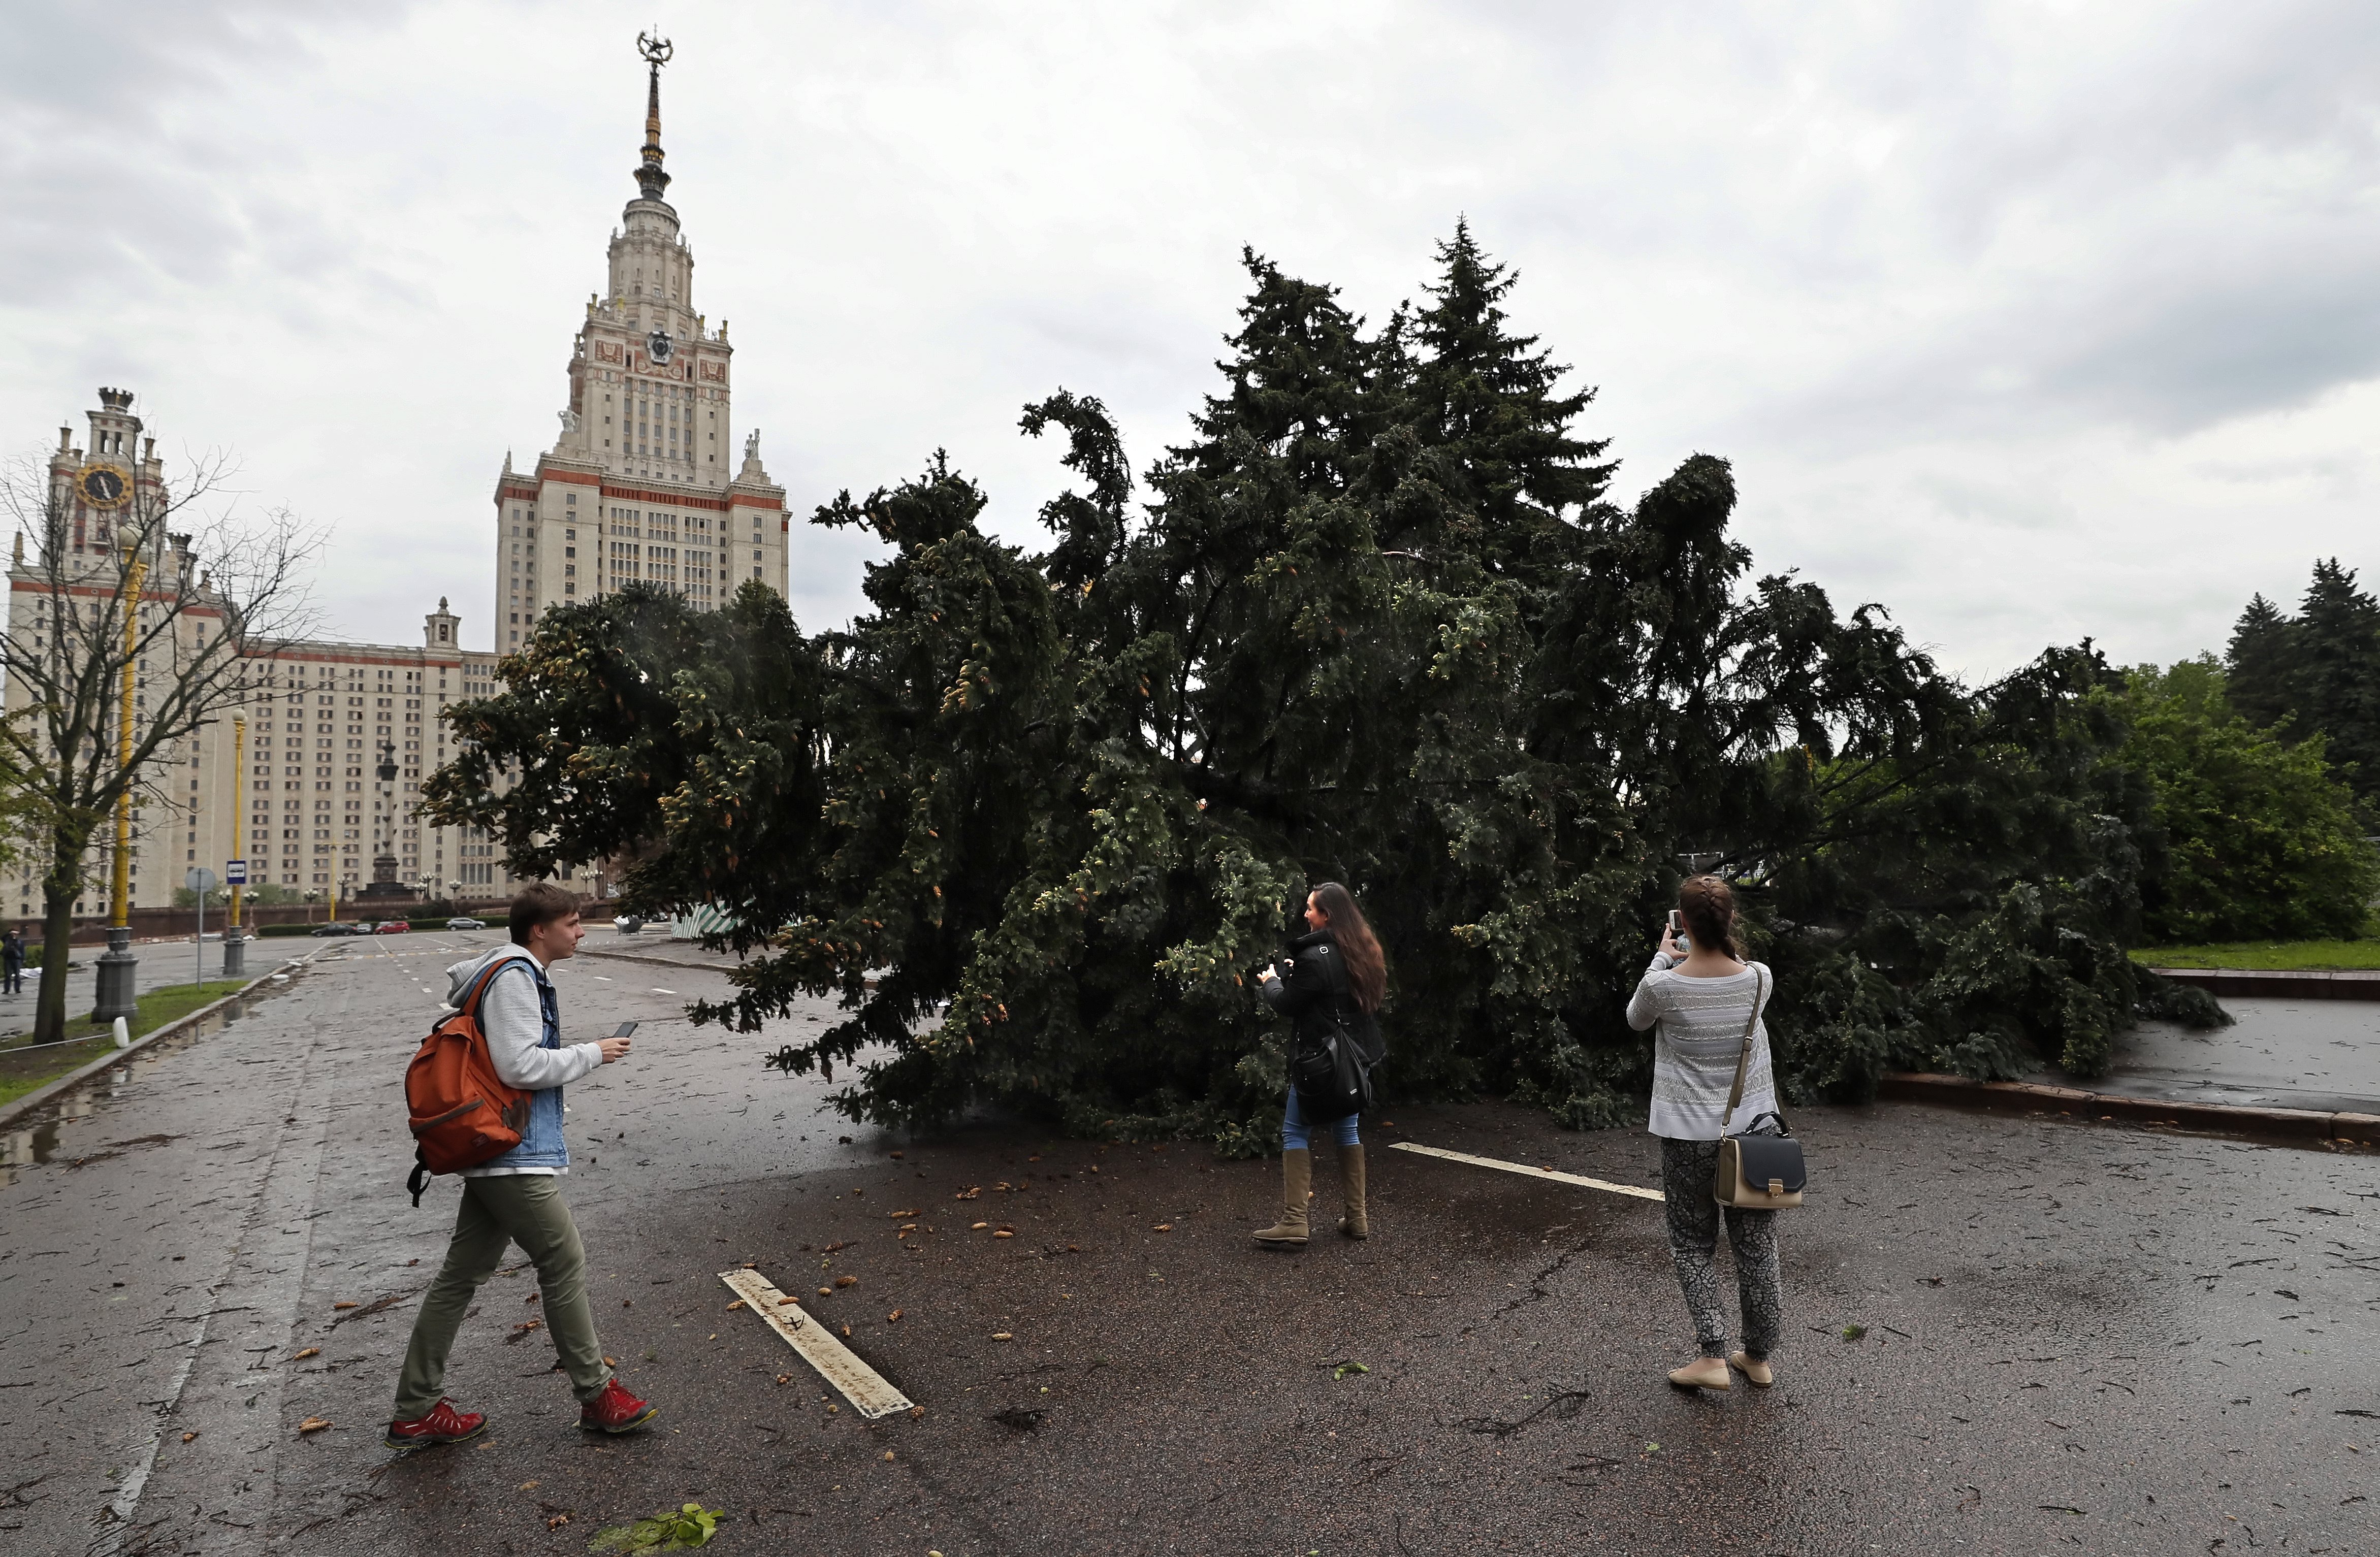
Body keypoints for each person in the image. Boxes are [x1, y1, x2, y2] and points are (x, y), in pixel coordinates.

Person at [385, 883, 657, 1449]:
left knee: (459, 1277)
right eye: (574, 922)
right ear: (541, 930)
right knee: (562, 1258)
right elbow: (519, 1065)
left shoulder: (516, 972)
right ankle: (597, 1395)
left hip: (498, 1149)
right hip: (512, 1150)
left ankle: (416, 1409)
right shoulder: (516, 975)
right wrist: (594, 1053)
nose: (581, 931)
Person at [1626, 874, 1784, 1392]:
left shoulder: (1662, 985)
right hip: (1756, 1134)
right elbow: (1728, 977)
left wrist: (1662, 956)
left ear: (1684, 924)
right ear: (1732, 920)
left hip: (1688, 1136)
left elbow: (1636, 1020)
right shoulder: (1759, 978)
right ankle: (1758, 1357)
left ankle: (1713, 1354)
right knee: (1757, 1247)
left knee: (1693, 1242)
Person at [1252, 881, 1386, 1248]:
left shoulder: (1316, 957)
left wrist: (1272, 982)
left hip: (1320, 1061)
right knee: (1347, 1132)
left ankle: (1295, 1221)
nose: (1306, 913)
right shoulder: (1363, 948)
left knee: (1294, 1132)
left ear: (1326, 915)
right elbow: (1337, 996)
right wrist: (1300, 974)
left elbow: (1288, 1004)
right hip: (1355, 1059)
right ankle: (1357, 1218)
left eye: (1311, 908)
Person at [1, 930, 23, 995]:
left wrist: (23, 959)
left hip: (17, 959)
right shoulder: (7, 940)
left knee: (17, 975)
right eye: (13, 934)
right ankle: (7, 990)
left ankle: (17, 989)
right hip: (8, 959)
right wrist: (9, 934)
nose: (14, 935)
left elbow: (22, 950)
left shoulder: (20, 941)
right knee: (8, 975)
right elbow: (2, 938)